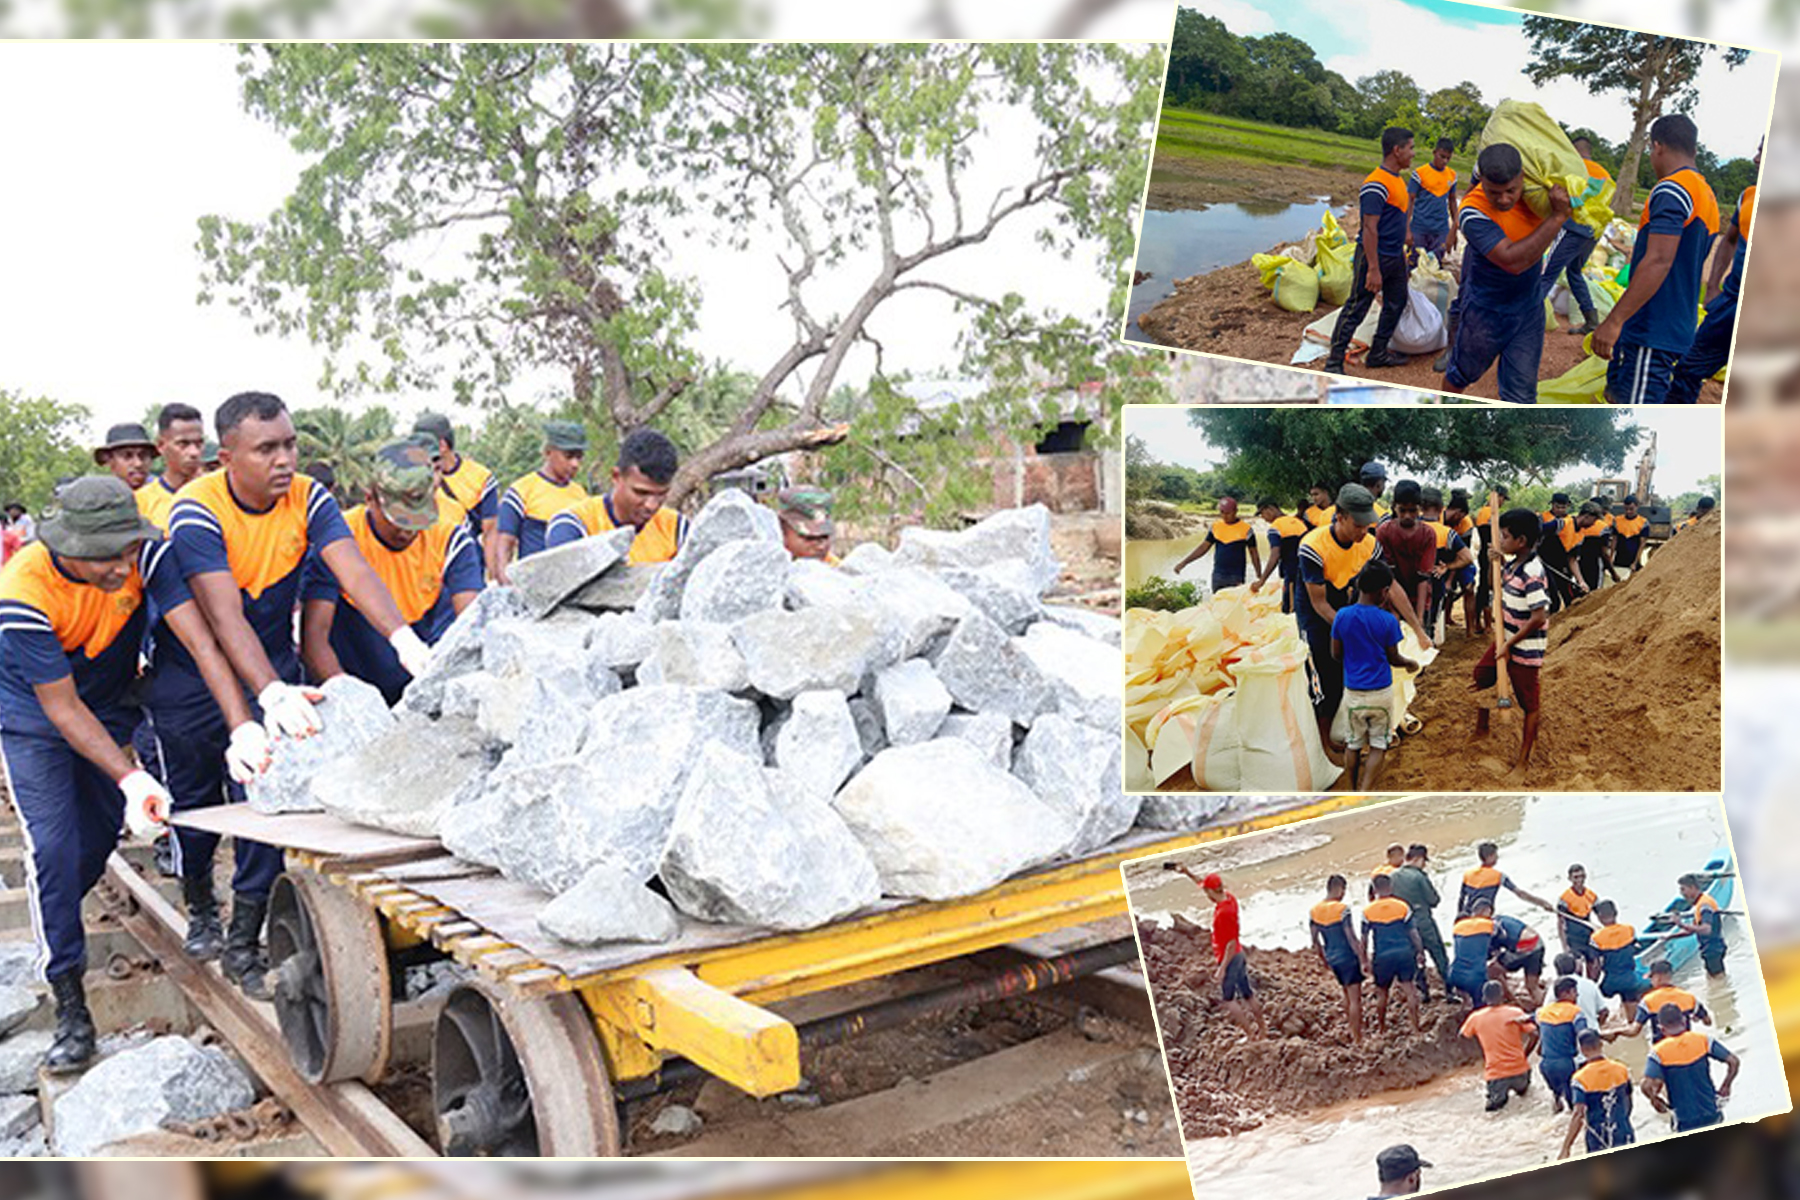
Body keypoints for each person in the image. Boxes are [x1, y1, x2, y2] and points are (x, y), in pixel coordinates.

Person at [155, 392, 429, 1000]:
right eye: (267, 448)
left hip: (271, 661)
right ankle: (200, 899)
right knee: (197, 801)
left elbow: (353, 569)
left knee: (266, 803)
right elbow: (223, 617)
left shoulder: (309, 495)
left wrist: (403, 638)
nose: (285, 459)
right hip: (192, 677)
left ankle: (244, 937)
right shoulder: (195, 510)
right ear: (227, 457)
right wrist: (270, 692)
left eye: (290, 444)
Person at [0, 477, 265, 1072]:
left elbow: (202, 643)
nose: (125, 563)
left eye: (129, 548)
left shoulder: (145, 557)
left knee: (93, 843)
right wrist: (132, 778)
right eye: (110, 554)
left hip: (109, 706)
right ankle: (70, 1001)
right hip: (35, 722)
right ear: (68, 549)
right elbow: (62, 707)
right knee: (55, 852)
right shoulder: (22, 592)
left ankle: (68, 890)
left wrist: (242, 723)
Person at [299, 442, 483, 705]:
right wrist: (347, 700)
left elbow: (472, 622)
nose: (407, 531)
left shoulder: (450, 541)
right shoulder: (339, 542)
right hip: (350, 673)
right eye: (398, 519)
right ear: (370, 498)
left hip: (414, 679)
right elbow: (314, 640)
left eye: (418, 519)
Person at [1298, 484, 1431, 762]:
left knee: (1350, 672)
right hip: (1317, 614)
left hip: (1346, 607)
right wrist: (1353, 632)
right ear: (1341, 516)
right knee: (1325, 675)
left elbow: (1391, 585)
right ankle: (1324, 742)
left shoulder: (1369, 544)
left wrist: (1419, 630)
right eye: (1358, 525)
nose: (1363, 531)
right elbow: (1319, 604)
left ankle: (1347, 732)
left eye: (1367, 525)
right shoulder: (1313, 546)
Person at [1595, 115, 1721, 403]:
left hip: (1653, 328)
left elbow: (1659, 261)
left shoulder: (1672, 189)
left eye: (1651, 151)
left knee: (1637, 406)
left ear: (1657, 146)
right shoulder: (1706, 194)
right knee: (1621, 394)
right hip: (1677, 323)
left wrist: (1614, 321)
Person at [1440, 144, 1573, 404]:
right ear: (1482, 183)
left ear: (1522, 177)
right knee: (1461, 375)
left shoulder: (1536, 196)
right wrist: (1557, 219)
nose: (1503, 200)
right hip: (1486, 312)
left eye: (1511, 191)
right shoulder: (1472, 211)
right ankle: (1443, 408)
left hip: (1528, 310)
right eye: (1494, 192)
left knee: (1521, 394)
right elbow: (1512, 261)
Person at [1670, 140, 1760, 403]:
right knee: (1688, 369)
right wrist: (1712, 289)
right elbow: (1729, 239)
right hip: (1730, 304)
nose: (1755, 159)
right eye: (1757, 150)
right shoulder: (1748, 196)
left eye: (1763, 152)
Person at [1326, 127, 1415, 373]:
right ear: (1397, 150)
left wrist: (1406, 235)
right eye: (1411, 148)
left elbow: (1400, 213)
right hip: (1373, 257)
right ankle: (1333, 363)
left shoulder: (1397, 180)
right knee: (1357, 308)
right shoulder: (1375, 184)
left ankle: (1378, 352)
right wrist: (1373, 270)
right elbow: (1369, 229)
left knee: (1397, 301)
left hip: (1395, 255)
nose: (1413, 154)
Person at [1473, 509, 1552, 774]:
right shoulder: (1511, 564)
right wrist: (1492, 563)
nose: (1500, 541)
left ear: (1521, 541)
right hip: (1505, 638)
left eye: (1505, 537)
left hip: (1525, 647)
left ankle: (1522, 762)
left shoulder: (1532, 571)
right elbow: (1496, 589)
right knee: (1482, 676)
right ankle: (1482, 727)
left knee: (1529, 704)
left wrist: (1510, 643)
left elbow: (1539, 616)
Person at [1331, 561, 1419, 791]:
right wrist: (1410, 663)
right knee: (1379, 745)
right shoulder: (1388, 620)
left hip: (1353, 693)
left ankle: (1351, 789)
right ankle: (1365, 790)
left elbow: (1336, 654)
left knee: (1353, 744)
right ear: (1385, 591)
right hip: (1381, 692)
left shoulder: (1342, 616)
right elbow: (1394, 658)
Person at [543, 428, 686, 565]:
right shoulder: (574, 526)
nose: (651, 505)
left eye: (661, 494)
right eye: (641, 493)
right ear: (616, 476)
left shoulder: (676, 528)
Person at [1167, 866, 1266, 1039]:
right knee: (1248, 994)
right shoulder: (1229, 898)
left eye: (1207, 892)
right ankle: (1262, 1031)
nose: (1206, 895)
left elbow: (1230, 943)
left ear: (1213, 891)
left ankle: (1250, 1035)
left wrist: (1222, 969)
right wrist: (1188, 872)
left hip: (1231, 958)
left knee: (1228, 1000)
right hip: (1239, 955)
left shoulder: (1223, 914)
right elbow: (1203, 885)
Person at [494, 420, 589, 581]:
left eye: (579, 458)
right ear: (548, 452)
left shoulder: (581, 495)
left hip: (573, 584)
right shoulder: (521, 491)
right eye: (568, 456)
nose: (575, 464)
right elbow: (504, 545)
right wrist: (505, 583)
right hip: (533, 583)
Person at [1538, 137, 1614, 338]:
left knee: (1548, 273)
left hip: (1572, 228)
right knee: (1574, 272)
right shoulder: (1604, 174)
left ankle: (1526, 322)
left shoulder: (1573, 168)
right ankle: (1591, 320)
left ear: (1573, 151)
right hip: (1593, 233)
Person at [412, 412, 498, 572]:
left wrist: (495, 578)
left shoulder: (481, 478)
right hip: (427, 569)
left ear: (442, 446)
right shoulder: (413, 481)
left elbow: (491, 534)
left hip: (466, 565)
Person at [1642, 1005, 1739, 1132]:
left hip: (1685, 1121)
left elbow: (1646, 1085)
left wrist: (1655, 1099)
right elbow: (1734, 1061)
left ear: (1662, 1029)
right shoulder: (1704, 1041)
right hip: (1711, 1112)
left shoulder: (1657, 1053)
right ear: (1683, 1021)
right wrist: (1726, 1085)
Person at [1460, 980, 1538, 1111]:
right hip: (1520, 1069)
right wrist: (1525, 1054)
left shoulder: (1476, 1017)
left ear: (1484, 998)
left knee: (1493, 1112)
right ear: (1502, 995)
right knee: (1526, 1101)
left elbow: (1462, 1037)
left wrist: (1481, 1051)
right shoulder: (1515, 1012)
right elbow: (1535, 1034)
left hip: (1496, 1073)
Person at [1310, 875, 1369, 1043]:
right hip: (1347, 957)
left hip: (1332, 957)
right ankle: (1358, 1039)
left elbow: (1315, 941)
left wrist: (1324, 959)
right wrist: (1363, 959)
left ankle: (1352, 1031)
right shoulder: (1342, 909)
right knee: (1355, 1000)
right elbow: (1351, 937)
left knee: (1346, 995)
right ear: (1340, 889)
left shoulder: (1315, 911)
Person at [1363, 874, 1423, 1034]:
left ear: (1374, 890)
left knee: (1382, 993)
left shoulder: (1368, 911)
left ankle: (1382, 1028)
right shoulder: (1403, 906)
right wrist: (1420, 952)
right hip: (1404, 952)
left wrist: (1364, 960)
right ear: (1391, 887)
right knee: (1410, 989)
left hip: (1382, 956)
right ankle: (1415, 1026)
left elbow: (1364, 938)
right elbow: (1414, 933)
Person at [1561, 1029, 1635, 1158]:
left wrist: (1566, 1147)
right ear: (1601, 1044)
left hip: (1598, 1138)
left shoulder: (1580, 1079)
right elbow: (1629, 1102)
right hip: (1624, 1132)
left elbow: (1578, 1114)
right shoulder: (1621, 1069)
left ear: (1582, 1050)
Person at [1391, 845, 1451, 1003]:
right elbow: (1434, 900)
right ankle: (1450, 992)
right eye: (1424, 861)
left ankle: (1424, 993)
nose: (1424, 865)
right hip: (1423, 921)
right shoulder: (1419, 877)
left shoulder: (1392, 877)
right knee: (1439, 954)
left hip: (1404, 925)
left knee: (1416, 958)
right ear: (1417, 859)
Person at [136, 404, 206, 532]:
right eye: (183, 444)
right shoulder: (140, 503)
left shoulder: (219, 496)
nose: (194, 452)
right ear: (161, 445)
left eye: (199, 444)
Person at [1172, 495, 1261, 595]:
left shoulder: (1246, 529)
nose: (1225, 516)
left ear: (1236, 511)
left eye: (1228, 513)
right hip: (1218, 575)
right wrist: (1184, 563)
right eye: (1222, 512)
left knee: (1234, 604)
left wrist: (1259, 574)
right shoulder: (1216, 527)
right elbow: (1203, 547)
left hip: (1236, 576)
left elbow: (1254, 553)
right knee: (1218, 603)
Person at [1375, 481, 1435, 622]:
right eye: (1402, 510)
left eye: (1413, 510)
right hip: (1390, 596)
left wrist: (1419, 617)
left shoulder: (1428, 534)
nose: (1407, 516)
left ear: (1420, 508)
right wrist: (1395, 609)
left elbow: (1423, 578)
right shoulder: (1384, 532)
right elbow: (1388, 577)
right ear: (1394, 507)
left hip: (1419, 597)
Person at [1536, 976, 1592, 1112]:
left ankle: (1556, 1101)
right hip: (1566, 1065)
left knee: (1557, 1095)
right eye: (1574, 991)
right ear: (1564, 994)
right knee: (1576, 1107)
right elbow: (1583, 1035)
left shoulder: (1543, 1012)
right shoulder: (1575, 1012)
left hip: (1545, 1066)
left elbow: (1532, 1024)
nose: (1577, 994)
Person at [1457, 841, 1555, 918]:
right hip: (1484, 915)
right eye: (1496, 855)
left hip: (1468, 915)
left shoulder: (1468, 874)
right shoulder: (1498, 876)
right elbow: (1520, 894)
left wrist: (1459, 917)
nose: (1497, 858)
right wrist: (1543, 903)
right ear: (1490, 857)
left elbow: (1461, 899)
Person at [1250, 497, 1308, 617]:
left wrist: (1262, 580)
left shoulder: (1275, 528)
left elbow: (1275, 555)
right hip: (1307, 576)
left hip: (1292, 577)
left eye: (1262, 513)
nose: (1263, 518)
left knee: (1290, 613)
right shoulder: (1298, 522)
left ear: (1270, 509)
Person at [1625, 959, 1712, 1039]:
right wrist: (1695, 1016)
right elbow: (1708, 1022)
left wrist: (1617, 1031)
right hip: (1686, 1046)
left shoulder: (1648, 1001)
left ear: (1658, 978)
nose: (1651, 981)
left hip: (1662, 1051)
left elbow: (1634, 1031)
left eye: (1651, 977)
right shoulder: (1688, 997)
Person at [1590, 900, 1643, 1023]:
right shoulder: (1629, 930)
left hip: (1610, 982)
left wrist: (1592, 983)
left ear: (1599, 917)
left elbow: (1595, 965)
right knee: (1633, 1017)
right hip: (1630, 978)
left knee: (1600, 996)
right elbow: (1635, 949)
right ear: (1616, 913)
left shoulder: (1596, 937)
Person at [1408, 138, 1459, 262]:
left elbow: (1452, 201)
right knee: (1415, 262)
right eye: (1442, 156)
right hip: (1420, 227)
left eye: (1448, 158)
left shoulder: (1451, 175)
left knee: (1435, 263)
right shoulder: (1420, 174)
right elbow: (1409, 200)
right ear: (1434, 152)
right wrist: (1406, 228)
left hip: (1441, 229)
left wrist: (1454, 228)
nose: (1445, 161)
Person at [1671, 873, 1728, 976]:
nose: (1682, 893)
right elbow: (1694, 928)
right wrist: (1670, 936)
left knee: (1717, 977)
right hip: (1711, 949)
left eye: (1683, 889)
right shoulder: (1700, 903)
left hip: (1713, 949)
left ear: (1692, 888)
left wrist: (1681, 924)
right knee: (1715, 977)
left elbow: (1706, 929)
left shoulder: (1704, 905)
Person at [1537, 494, 1585, 613]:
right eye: (1557, 507)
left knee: (1567, 592)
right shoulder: (1543, 518)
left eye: (1563, 507)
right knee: (1552, 595)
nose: (1560, 510)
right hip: (1544, 560)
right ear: (1552, 504)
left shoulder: (1569, 522)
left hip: (1562, 561)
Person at [1449, 900, 1500, 1011]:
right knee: (1482, 1009)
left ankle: (1465, 1004)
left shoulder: (1458, 926)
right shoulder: (1489, 925)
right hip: (1475, 978)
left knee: (1467, 999)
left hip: (1454, 974)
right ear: (1485, 911)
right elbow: (1502, 937)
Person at [1472, 486, 1509, 636]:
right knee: (1486, 587)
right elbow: (1489, 538)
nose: (1502, 503)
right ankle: (1483, 623)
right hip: (1488, 554)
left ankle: (1480, 622)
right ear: (1498, 497)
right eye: (1502, 499)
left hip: (1488, 553)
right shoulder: (1489, 513)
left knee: (1485, 587)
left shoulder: (1485, 512)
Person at [1557, 865, 1604, 980]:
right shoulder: (1565, 898)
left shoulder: (1591, 895)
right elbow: (1560, 922)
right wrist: (1564, 945)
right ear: (1570, 879)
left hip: (1588, 935)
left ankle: (1592, 987)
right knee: (1577, 968)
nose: (1579, 880)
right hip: (1573, 937)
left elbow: (1601, 915)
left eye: (1582, 876)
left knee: (1595, 965)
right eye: (1576, 877)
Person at [1492, 912, 1548, 1007]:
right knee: (1532, 986)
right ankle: (1545, 1006)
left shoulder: (1488, 930)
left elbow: (1491, 956)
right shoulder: (1500, 918)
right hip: (1537, 942)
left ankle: (1511, 1000)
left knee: (1492, 970)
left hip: (1524, 946)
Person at [775, 487, 838, 564]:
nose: (821, 547)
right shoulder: (766, 568)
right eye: (809, 538)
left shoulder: (835, 568)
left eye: (825, 537)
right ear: (781, 532)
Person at [94, 422, 158, 493]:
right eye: (127, 456)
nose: (138, 464)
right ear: (109, 460)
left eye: (143, 455)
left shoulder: (165, 499)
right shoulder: (98, 499)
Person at [1555, 951, 1610, 1032]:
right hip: (1592, 1032)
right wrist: (1596, 1024)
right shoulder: (1590, 984)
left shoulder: (1555, 989)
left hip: (1570, 1035)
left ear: (1557, 970)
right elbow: (1604, 1012)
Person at [1572, 504, 1609, 595]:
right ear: (1587, 516)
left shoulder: (1579, 530)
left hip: (1577, 565)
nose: (1594, 524)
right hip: (1588, 565)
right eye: (1594, 520)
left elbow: (1571, 558)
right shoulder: (1566, 525)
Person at [1610, 495, 1649, 575]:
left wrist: (1635, 562)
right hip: (1619, 558)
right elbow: (1614, 540)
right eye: (1626, 509)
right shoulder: (1617, 520)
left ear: (1637, 507)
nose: (1628, 511)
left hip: (1633, 558)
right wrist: (1610, 558)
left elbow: (1642, 545)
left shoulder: (1643, 522)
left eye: (1631, 509)